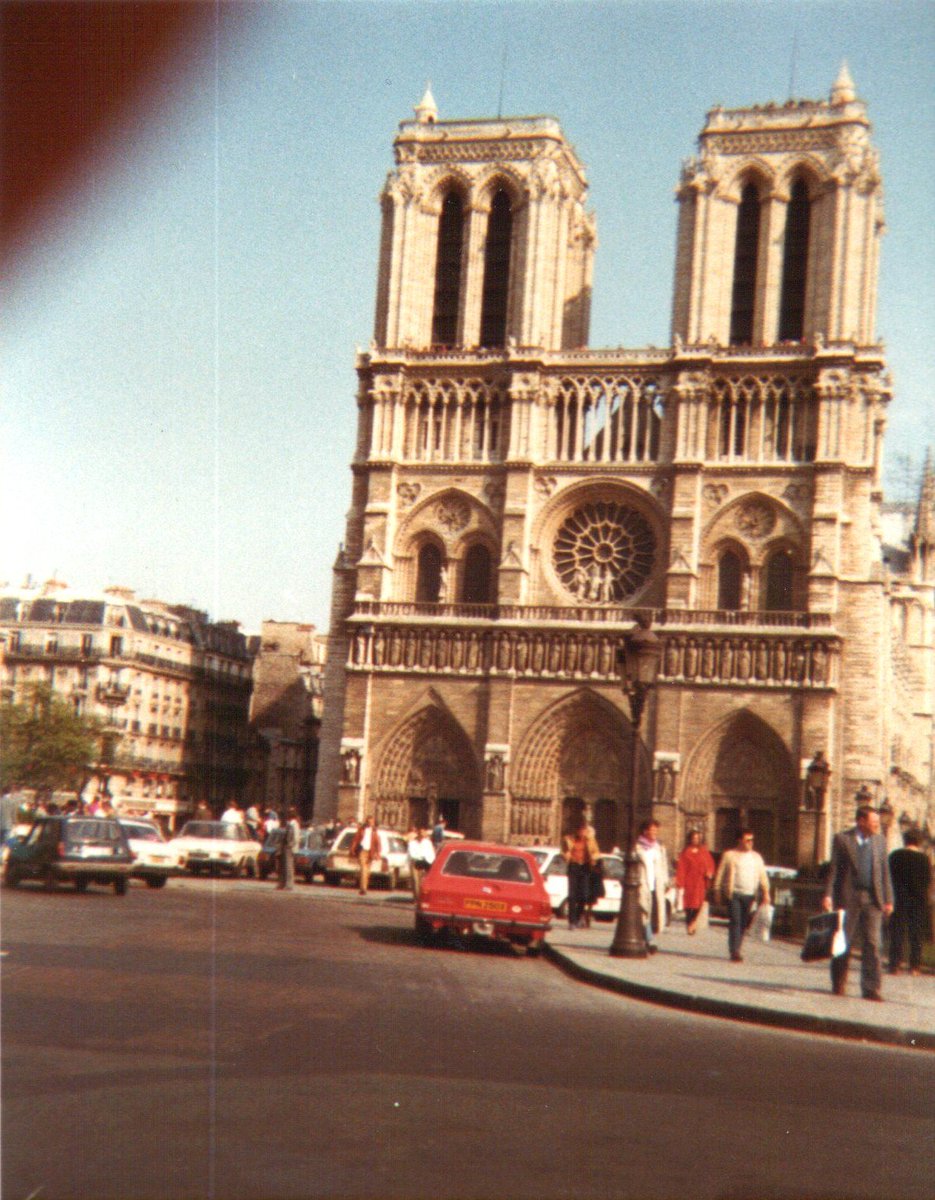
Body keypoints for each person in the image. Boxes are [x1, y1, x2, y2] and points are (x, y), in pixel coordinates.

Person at [822, 805, 894, 1000]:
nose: (877, 825)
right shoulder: (842, 839)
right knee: (843, 942)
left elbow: (885, 872)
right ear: (861, 821)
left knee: (873, 943)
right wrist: (828, 894)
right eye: (873, 822)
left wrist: (889, 900)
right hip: (848, 898)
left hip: (873, 899)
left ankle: (871, 988)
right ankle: (839, 982)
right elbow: (834, 870)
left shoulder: (879, 841)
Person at [714, 829, 770, 963]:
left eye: (752, 840)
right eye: (747, 840)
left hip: (750, 894)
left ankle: (737, 946)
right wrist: (717, 890)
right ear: (739, 840)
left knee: (743, 923)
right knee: (735, 921)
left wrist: (766, 893)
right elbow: (720, 874)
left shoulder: (756, 857)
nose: (751, 843)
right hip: (734, 893)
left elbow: (763, 876)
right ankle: (734, 951)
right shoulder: (729, 855)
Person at [888, 828, 931, 977]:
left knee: (897, 931)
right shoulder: (924, 859)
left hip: (899, 897)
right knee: (916, 933)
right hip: (918, 899)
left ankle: (895, 964)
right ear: (918, 842)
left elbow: (889, 878)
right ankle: (915, 966)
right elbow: (927, 881)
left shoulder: (895, 856)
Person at [635, 818, 669, 953]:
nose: (655, 832)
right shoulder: (637, 847)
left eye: (656, 830)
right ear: (645, 831)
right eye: (652, 830)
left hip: (656, 884)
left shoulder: (659, 848)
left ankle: (647, 938)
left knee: (653, 913)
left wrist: (666, 881)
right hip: (642, 883)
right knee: (644, 911)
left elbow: (663, 866)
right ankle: (650, 941)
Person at [562, 815, 600, 930]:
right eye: (581, 830)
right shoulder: (569, 839)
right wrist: (567, 856)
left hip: (585, 867)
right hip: (573, 866)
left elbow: (596, 852)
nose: (582, 833)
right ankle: (572, 921)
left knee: (583, 895)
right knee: (572, 895)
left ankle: (578, 917)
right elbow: (563, 851)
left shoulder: (590, 840)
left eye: (584, 830)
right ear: (577, 831)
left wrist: (593, 859)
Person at [675, 829, 716, 935]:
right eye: (694, 838)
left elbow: (710, 864)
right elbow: (681, 867)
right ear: (690, 839)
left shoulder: (704, 851)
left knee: (698, 903)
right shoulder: (685, 852)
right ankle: (689, 921)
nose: (696, 840)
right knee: (688, 905)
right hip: (689, 881)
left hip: (700, 881)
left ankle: (693, 921)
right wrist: (680, 882)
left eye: (698, 838)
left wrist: (709, 872)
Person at [350, 816, 385, 896]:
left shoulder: (374, 831)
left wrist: (378, 853)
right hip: (362, 851)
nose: (370, 823)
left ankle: (364, 887)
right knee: (363, 869)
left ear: (373, 823)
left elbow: (378, 843)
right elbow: (356, 839)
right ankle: (363, 889)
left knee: (367, 871)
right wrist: (352, 849)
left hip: (370, 852)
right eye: (368, 822)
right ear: (366, 822)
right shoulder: (361, 829)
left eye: (371, 822)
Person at [407, 826, 435, 901]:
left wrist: (430, 862)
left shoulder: (427, 843)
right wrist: (420, 857)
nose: (422, 835)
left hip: (425, 863)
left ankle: (422, 897)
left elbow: (431, 853)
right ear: (418, 834)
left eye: (423, 833)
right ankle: (416, 898)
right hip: (415, 862)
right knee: (415, 881)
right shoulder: (412, 842)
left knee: (423, 881)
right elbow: (412, 853)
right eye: (420, 833)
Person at [277, 806, 301, 891]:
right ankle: (282, 884)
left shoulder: (294, 825)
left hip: (290, 848)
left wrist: (290, 845)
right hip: (285, 847)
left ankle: (289, 885)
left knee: (289, 867)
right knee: (283, 867)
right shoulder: (289, 824)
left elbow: (296, 838)